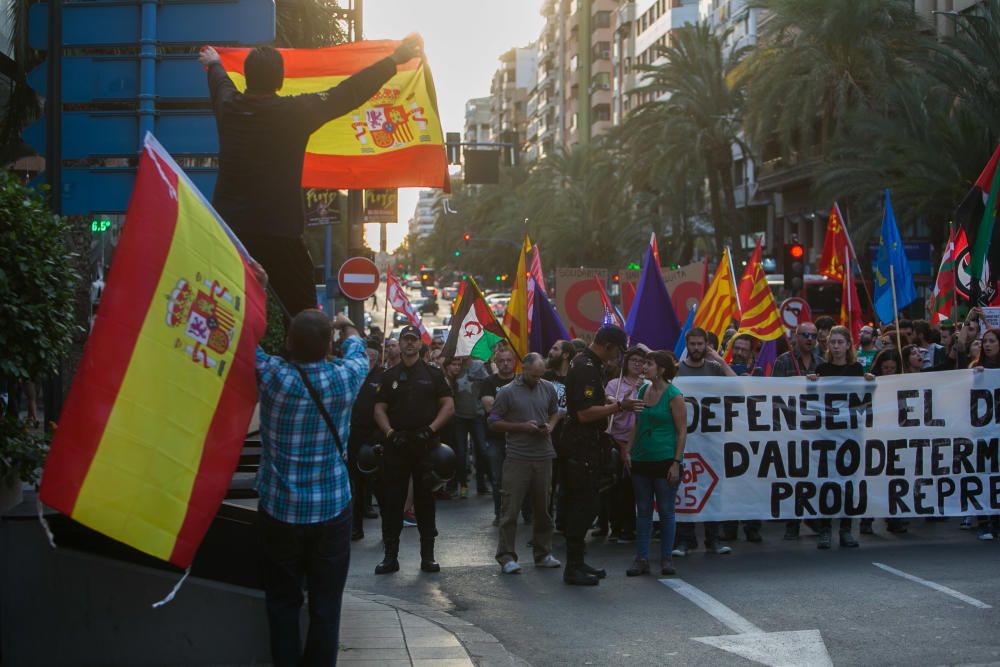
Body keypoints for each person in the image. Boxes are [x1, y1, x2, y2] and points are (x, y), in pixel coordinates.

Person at [200, 37, 422, 319]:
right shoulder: (295, 112)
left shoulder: (229, 108)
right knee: (304, 316)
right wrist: (394, 61)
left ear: (247, 77)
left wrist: (215, 63)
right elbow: (348, 93)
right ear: (280, 81)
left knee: (221, 315)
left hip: (231, 234)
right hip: (281, 237)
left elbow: (221, 85)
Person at [253, 259, 367, 667]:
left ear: (287, 344)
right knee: (326, 603)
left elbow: (239, 337)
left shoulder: (272, 377)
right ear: (329, 347)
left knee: (282, 601)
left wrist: (261, 288)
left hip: (280, 510)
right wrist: (345, 326)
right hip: (332, 510)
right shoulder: (345, 378)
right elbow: (358, 350)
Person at [560, 325, 643, 586]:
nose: (619, 357)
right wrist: (619, 406)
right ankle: (572, 567)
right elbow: (584, 414)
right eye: (618, 351)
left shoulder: (590, 364)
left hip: (588, 445)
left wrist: (606, 402)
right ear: (608, 346)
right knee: (583, 506)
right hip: (580, 445)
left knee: (588, 504)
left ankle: (578, 561)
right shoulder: (586, 367)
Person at [373, 325, 455, 574]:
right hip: (397, 445)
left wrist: (430, 430)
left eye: (413, 339)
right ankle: (390, 557)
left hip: (425, 445)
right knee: (392, 502)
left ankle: (427, 556)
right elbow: (379, 409)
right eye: (405, 339)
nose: (409, 344)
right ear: (399, 343)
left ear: (420, 344)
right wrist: (389, 433)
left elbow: (448, 406)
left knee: (425, 502)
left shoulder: (432, 374)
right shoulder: (389, 376)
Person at [489, 353, 564, 573]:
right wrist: (522, 427)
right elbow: (493, 421)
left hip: (543, 454)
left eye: (540, 376)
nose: (536, 379)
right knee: (510, 508)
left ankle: (543, 552)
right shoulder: (507, 392)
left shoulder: (548, 387)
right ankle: (506, 556)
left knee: (543, 508)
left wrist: (550, 426)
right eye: (533, 376)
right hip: (517, 456)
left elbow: (555, 412)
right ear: (524, 370)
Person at [807, 325, 875, 549]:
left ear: (848, 345)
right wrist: (810, 385)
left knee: (848, 481)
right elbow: (812, 402)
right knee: (826, 481)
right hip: (826, 433)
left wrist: (870, 385)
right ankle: (825, 529)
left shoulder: (856, 370)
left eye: (840, 342)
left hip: (850, 434)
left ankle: (846, 529)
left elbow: (864, 402)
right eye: (832, 342)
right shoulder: (822, 369)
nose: (835, 346)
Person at [623, 350, 686, 577]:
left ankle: (666, 558)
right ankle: (641, 558)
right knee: (643, 510)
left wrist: (676, 462)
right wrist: (628, 450)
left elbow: (681, 432)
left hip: (665, 460)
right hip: (641, 459)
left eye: (649, 364)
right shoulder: (642, 390)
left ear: (661, 369)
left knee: (667, 511)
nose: (643, 367)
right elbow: (636, 424)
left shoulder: (674, 395)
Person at [673, 327, 734, 557]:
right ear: (687, 346)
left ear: (706, 345)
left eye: (700, 344)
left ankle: (713, 539)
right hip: (686, 439)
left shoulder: (715, 368)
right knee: (685, 489)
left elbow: (737, 387)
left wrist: (719, 359)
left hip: (711, 440)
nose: (696, 349)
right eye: (693, 344)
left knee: (714, 490)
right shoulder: (677, 370)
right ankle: (685, 540)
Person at [601, 346, 647, 543]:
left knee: (637, 487)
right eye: (633, 360)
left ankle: (633, 526)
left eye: (641, 361)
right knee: (618, 487)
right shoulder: (614, 384)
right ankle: (617, 526)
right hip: (618, 440)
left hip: (640, 442)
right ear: (626, 363)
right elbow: (612, 408)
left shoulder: (649, 385)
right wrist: (630, 392)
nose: (637, 364)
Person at [348, 340, 385, 541]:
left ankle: (387, 532)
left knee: (380, 485)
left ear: (378, 357)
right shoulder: (354, 375)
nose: (369, 360)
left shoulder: (384, 377)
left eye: (373, 357)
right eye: (366, 356)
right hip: (354, 437)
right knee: (355, 485)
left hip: (376, 438)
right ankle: (356, 527)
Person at [480, 347, 518, 524]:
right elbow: (490, 408)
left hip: (519, 439)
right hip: (495, 438)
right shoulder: (488, 382)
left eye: (509, 360)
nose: (505, 364)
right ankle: (499, 513)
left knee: (521, 479)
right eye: (501, 361)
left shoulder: (521, 381)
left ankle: (525, 512)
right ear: (496, 362)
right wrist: (515, 408)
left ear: (514, 362)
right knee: (498, 479)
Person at [450, 356, 489, 499]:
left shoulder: (478, 365)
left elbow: (487, 384)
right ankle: (463, 485)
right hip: (459, 416)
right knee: (460, 453)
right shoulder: (455, 366)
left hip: (476, 416)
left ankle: (481, 485)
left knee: (482, 451)